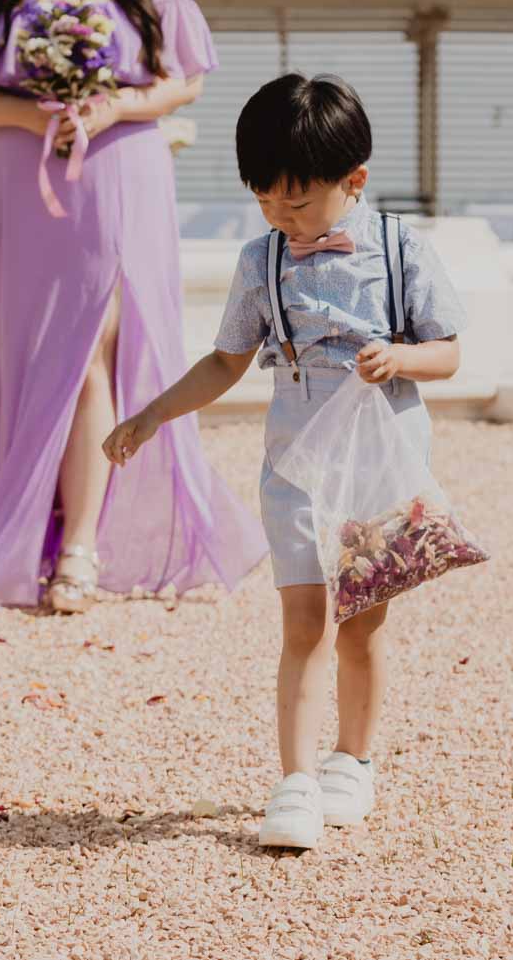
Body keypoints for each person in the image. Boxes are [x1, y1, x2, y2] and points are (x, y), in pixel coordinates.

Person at [103, 73, 468, 851]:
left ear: (354, 181)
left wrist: (400, 355)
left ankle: (354, 760)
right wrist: (150, 415)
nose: (279, 214)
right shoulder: (260, 259)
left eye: (296, 201)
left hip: (381, 460)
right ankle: (295, 780)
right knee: (304, 620)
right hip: (297, 462)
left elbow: (450, 352)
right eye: (265, 198)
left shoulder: (402, 250)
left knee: (363, 624)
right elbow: (225, 360)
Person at [0, 0, 265, 613]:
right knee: (25, 361)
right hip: (21, 179)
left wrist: (114, 108)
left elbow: (187, 79)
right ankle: (32, 536)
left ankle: (78, 546)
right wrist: (30, 116)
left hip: (120, 174)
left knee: (91, 357)